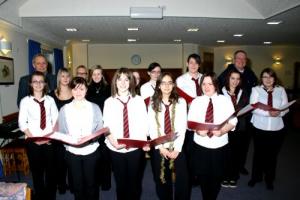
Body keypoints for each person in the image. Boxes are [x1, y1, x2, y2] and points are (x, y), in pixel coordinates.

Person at [188, 72, 237, 200]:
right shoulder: (196, 101)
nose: (206, 86)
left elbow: (233, 121)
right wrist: (198, 131)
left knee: (217, 176)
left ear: (216, 84)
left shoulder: (225, 100)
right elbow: (190, 123)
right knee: (203, 176)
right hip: (201, 145)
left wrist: (222, 131)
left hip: (220, 145)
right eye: (204, 84)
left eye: (210, 83)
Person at [103, 67, 149, 200]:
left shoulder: (139, 100)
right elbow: (106, 127)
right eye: (119, 79)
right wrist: (113, 142)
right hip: (115, 148)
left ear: (131, 82)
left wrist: (144, 142)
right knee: (120, 183)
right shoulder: (109, 102)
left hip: (135, 148)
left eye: (126, 79)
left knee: (135, 183)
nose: (123, 83)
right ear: (115, 82)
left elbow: (144, 123)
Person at [58, 77, 103, 200]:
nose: (78, 92)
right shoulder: (64, 109)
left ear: (86, 90)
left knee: (92, 184)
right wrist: (69, 142)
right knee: (77, 185)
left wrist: (90, 139)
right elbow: (61, 132)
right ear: (71, 90)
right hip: (72, 153)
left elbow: (100, 129)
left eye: (81, 89)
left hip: (91, 151)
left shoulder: (94, 107)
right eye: (75, 89)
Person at [148, 72, 189, 200]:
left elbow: (182, 126)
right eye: (163, 83)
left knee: (183, 179)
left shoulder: (181, 102)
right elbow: (152, 127)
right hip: (160, 147)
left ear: (173, 85)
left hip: (178, 146)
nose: (166, 86)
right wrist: (161, 147)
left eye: (169, 82)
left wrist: (177, 149)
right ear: (159, 85)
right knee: (161, 178)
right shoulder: (152, 102)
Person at [18, 71, 58, 200]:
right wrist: (34, 139)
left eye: (41, 81)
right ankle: (40, 196)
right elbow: (22, 123)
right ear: (30, 83)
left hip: (49, 141)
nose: (38, 84)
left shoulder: (50, 100)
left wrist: (49, 137)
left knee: (51, 172)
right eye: (35, 81)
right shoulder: (25, 101)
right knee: (37, 172)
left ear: (45, 83)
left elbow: (56, 120)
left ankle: (51, 196)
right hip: (32, 141)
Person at [248, 68, 288, 190]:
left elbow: (286, 108)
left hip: (277, 128)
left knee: (272, 156)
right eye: (265, 77)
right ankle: (255, 177)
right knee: (259, 154)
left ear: (274, 78)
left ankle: (269, 179)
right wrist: (268, 114)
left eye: (270, 77)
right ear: (261, 78)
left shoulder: (281, 90)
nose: (268, 79)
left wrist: (279, 113)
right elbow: (253, 107)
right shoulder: (256, 90)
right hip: (259, 127)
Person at [218, 50, 257, 175]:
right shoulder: (225, 74)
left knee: (243, 145)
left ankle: (240, 166)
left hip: (244, 116)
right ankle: (226, 168)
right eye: (238, 58)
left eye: (243, 59)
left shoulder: (251, 74)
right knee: (228, 145)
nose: (241, 61)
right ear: (234, 60)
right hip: (228, 118)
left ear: (246, 61)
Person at [176, 53, 202, 186]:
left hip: (203, 119)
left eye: (196, 63)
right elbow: (179, 100)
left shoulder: (204, 78)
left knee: (201, 150)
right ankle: (190, 177)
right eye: (191, 62)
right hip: (189, 119)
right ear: (187, 64)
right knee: (189, 150)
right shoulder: (181, 80)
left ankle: (200, 175)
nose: (193, 65)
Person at [221, 70, 249, 188]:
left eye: (238, 79)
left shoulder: (243, 92)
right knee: (225, 153)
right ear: (228, 79)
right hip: (225, 126)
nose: (235, 81)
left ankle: (233, 176)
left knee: (237, 153)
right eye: (233, 78)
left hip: (239, 127)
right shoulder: (220, 92)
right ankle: (224, 176)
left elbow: (246, 109)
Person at [86, 65, 111, 191]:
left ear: (102, 75)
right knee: (94, 156)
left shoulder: (108, 88)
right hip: (92, 126)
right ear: (91, 76)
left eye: (98, 74)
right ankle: (95, 182)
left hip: (105, 126)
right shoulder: (87, 89)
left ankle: (106, 183)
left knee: (105, 156)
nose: (96, 76)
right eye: (94, 74)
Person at [49, 68, 73, 194]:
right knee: (59, 162)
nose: (65, 78)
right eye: (62, 76)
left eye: (67, 76)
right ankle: (62, 185)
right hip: (57, 134)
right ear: (59, 78)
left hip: (71, 132)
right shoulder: (51, 95)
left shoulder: (75, 92)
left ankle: (74, 185)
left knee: (71, 160)